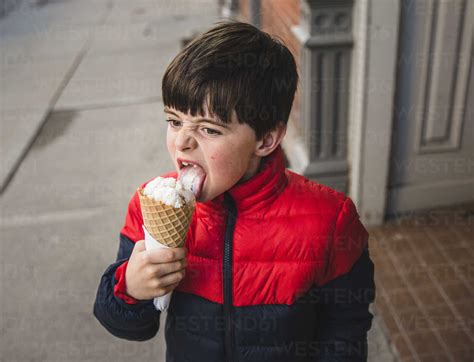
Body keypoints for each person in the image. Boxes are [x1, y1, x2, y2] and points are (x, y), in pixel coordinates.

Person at [93, 20, 375, 362]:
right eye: (174, 121)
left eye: (209, 129)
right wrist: (130, 289)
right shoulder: (148, 205)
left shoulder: (330, 220)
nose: (182, 141)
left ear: (266, 139)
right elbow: (129, 326)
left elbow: (345, 333)